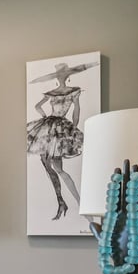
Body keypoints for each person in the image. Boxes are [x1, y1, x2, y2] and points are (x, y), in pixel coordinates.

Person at [26, 61, 97, 220]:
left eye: (62, 75)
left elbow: (76, 112)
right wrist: (48, 119)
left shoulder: (72, 92)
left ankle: (75, 203)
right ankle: (66, 203)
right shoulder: (55, 92)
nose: (62, 77)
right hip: (52, 128)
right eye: (60, 75)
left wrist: (71, 129)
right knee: (52, 167)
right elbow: (38, 106)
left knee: (57, 169)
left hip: (56, 129)